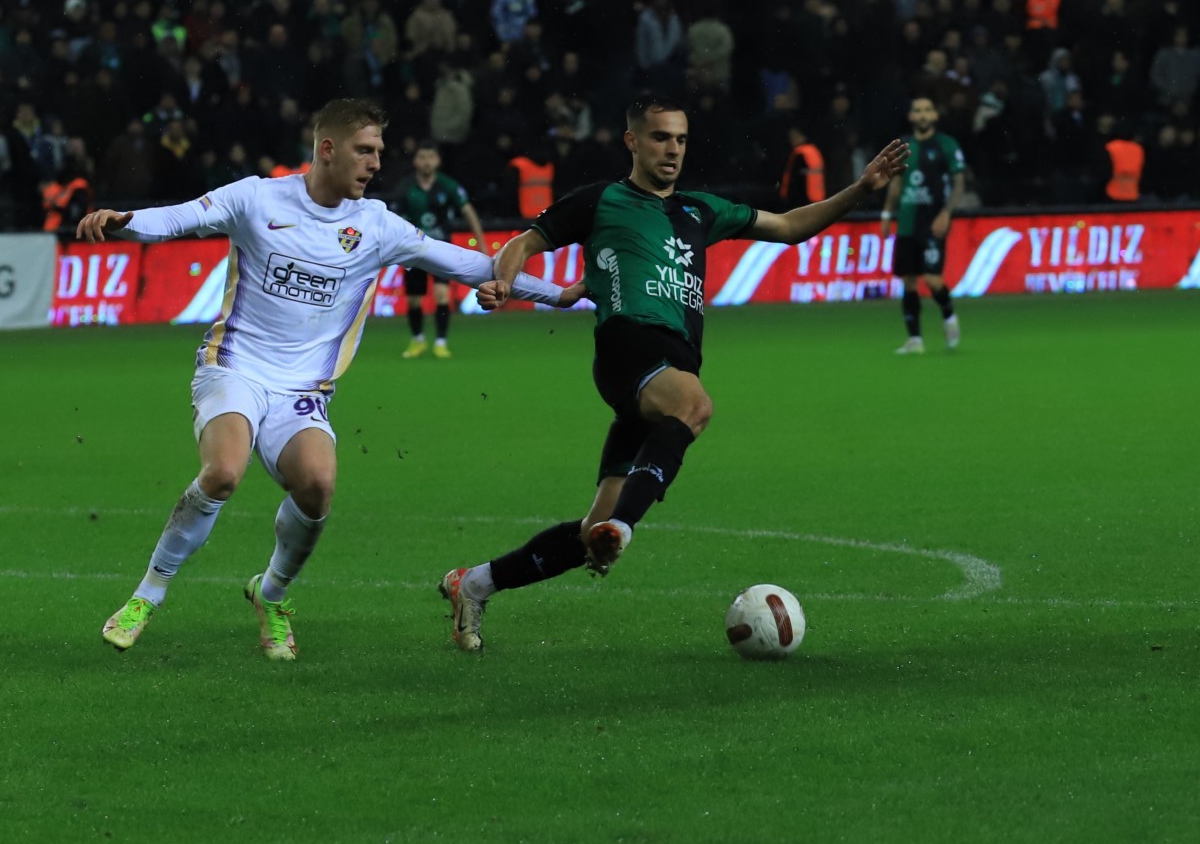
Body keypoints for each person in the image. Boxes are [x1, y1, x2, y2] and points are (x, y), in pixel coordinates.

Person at [80, 99, 581, 661]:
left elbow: (468, 265)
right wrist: (126, 222)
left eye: (379, 153)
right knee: (223, 471)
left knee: (317, 486)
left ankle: (270, 595)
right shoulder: (257, 198)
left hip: (303, 392)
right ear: (327, 148)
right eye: (365, 150)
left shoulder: (377, 226)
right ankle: (147, 595)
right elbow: (179, 216)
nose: (375, 163)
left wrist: (560, 294)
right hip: (235, 366)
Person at [437, 98, 907, 652]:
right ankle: (627, 529)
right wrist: (502, 281)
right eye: (660, 138)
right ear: (632, 141)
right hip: (627, 346)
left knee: (592, 535)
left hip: (668, 364)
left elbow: (788, 226)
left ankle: (474, 584)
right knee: (695, 407)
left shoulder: (700, 210)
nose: (673, 149)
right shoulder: (601, 201)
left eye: (681, 140)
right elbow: (524, 243)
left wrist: (861, 189)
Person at [882, 95, 967, 354]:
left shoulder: (946, 144)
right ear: (910, 116)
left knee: (932, 280)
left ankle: (949, 314)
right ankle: (915, 340)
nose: (922, 115)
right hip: (907, 223)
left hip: (933, 222)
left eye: (927, 110)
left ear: (935, 116)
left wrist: (946, 213)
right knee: (908, 280)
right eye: (917, 110)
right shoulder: (903, 146)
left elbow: (959, 182)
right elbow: (896, 183)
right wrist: (887, 214)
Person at [385, 145, 484, 359]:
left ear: (438, 161)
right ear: (415, 161)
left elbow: (468, 211)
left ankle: (440, 342)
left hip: (441, 250)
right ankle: (418, 340)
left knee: (442, 295)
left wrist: (482, 243)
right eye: (422, 157)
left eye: (431, 157)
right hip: (412, 251)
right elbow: (392, 220)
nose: (427, 161)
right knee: (414, 300)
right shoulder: (405, 187)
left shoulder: (448, 186)